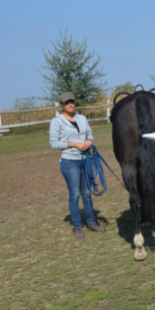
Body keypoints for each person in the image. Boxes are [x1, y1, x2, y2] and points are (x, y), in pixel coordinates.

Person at [48, 92, 106, 238]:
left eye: (72, 102)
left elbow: (89, 134)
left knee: (87, 194)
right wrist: (74, 144)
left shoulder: (81, 118)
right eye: (67, 102)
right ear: (61, 105)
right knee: (74, 195)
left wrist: (88, 141)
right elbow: (54, 143)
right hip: (69, 161)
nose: (70, 105)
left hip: (85, 159)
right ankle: (77, 227)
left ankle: (92, 223)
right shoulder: (57, 121)